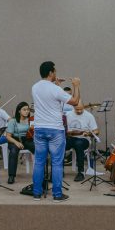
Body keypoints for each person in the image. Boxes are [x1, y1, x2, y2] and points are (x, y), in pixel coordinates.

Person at [31, 61, 80, 202]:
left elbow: (50, 98)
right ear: (51, 72)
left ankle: (36, 193)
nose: (56, 73)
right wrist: (76, 86)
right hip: (55, 129)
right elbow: (75, 101)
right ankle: (57, 195)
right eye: (55, 71)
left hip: (39, 128)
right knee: (57, 162)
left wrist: (56, 85)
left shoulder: (34, 87)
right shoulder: (56, 89)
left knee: (39, 162)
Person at [65, 101, 99, 182]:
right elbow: (64, 129)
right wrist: (71, 132)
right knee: (59, 144)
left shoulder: (89, 116)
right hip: (70, 137)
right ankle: (58, 171)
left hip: (83, 139)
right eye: (77, 109)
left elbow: (96, 131)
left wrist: (89, 133)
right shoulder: (68, 115)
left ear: (84, 107)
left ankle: (81, 172)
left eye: (81, 109)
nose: (79, 111)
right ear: (73, 107)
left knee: (79, 144)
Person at [6, 101, 35, 184]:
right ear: (19, 111)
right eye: (24, 109)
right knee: (13, 151)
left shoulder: (30, 120)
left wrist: (33, 129)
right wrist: (17, 143)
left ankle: (41, 173)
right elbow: (8, 136)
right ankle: (11, 176)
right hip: (14, 140)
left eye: (28, 110)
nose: (26, 111)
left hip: (26, 139)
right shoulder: (13, 121)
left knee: (38, 148)